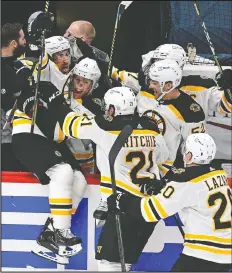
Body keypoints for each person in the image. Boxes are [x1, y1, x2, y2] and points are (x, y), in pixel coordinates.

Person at [21, 83, 169, 270]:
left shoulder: (104, 126)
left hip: (124, 205)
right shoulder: (151, 128)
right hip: (151, 205)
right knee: (125, 263)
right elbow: (163, 156)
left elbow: (70, 123)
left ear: (113, 108)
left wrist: (55, 98)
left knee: (109, 264)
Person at [107, 133, 232, 272]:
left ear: (189, 156)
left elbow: (150, 211)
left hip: (203, 255)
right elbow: (195, 192)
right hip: (226, 255)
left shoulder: (186, 181)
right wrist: (164, 187)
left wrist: (121, 201)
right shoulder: (219, 175)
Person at [1, 22, 31, 171]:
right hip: (5, 142)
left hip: (19, 140)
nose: (25, 42)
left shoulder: (19, 66)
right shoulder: (5, 70)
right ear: (14, 43)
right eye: (23, 38)